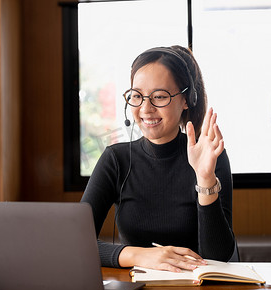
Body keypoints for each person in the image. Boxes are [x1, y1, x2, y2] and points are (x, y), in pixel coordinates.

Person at [80, 45, 235, 272]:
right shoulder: (115, 159)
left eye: (159, 96)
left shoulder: (210, 157)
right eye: (137, 96)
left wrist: (205, 179)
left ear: (186, 99)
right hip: (134, 289)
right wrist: (141, 256)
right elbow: (77, 242)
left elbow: (218, 256)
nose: (145, 108)